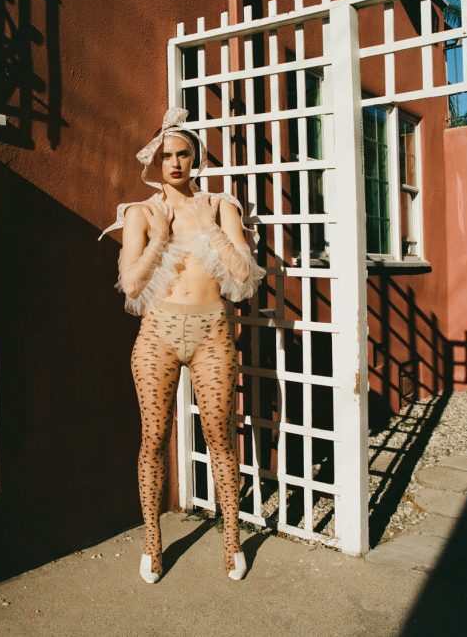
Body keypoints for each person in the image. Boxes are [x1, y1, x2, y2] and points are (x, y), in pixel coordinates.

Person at [98, 107, 265, 583]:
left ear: (197, 159)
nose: (174, 162)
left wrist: (207, 225)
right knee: (154, 438)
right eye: (166, 155)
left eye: (183, 154)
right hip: (159, 336)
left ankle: (232, 542)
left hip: (212, 333)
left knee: (220, 439)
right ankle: (152, 543)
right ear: (155, 161)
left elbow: (244, 278)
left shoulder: (221, 206)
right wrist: (160, 238)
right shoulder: (141, 213)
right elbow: (131, 285)